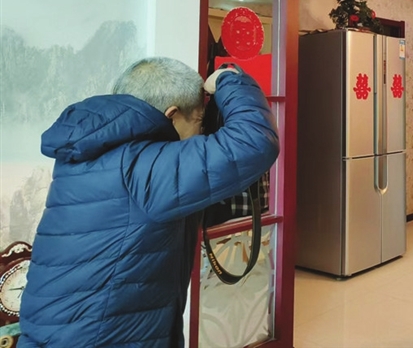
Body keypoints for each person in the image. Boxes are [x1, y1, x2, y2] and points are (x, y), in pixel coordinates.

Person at [18, 57, 279, 348]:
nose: (201, 132)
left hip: (64, 332)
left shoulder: (98, 151)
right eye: (199, 121)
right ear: (172, 115)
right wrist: (230, 79)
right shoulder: (141, 167)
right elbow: (254, 141)